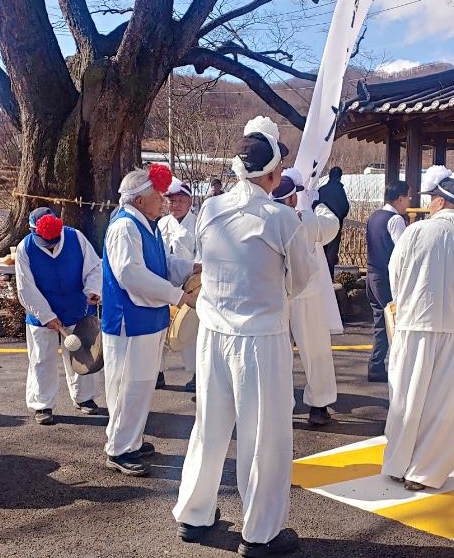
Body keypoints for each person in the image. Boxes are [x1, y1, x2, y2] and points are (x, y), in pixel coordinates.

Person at [173, 116, 312, 556]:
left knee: (209, 427)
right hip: (260, 338)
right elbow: (300, 281)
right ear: (272, 174)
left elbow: (204, 261)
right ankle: (261, 532)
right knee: (264, 436)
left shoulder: (210, 210)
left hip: (214, 333)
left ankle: (194, 514)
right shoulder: (281, 219)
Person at [382, 166, 454, 491]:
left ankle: (398, 462)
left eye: (432, 198)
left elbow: (395, 274)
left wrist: (404, 307)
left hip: (414, 323)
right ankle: (425, 471)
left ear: (441, 201)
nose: (429, 203)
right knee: (445, 403)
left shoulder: (415, 231)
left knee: (406, 396)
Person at [102, 164, 196, 476]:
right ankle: (119, 449)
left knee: (140, 385)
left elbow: (162, 263)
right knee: (128, 386)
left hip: (148, 318)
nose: (164, 201)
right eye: (159, 196)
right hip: (130, 321)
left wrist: (190, 268)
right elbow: (131, 275)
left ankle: (131, 439)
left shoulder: (147, 224)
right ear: (140, 200)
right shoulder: (125, 227)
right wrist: (177, 295)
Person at [15, 207, 104, 425]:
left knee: (83, 354)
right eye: (47, 243)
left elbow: (94, 268)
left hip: (77, 307)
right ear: (33, 232)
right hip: (40, 314)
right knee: (41, 358)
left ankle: (84, 398)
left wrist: (93, 290)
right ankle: (42, 404)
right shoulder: (24, 248)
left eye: (55, 241)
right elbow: (26, 288)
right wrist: (46, 315)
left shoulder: (76, 238)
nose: (52, 246)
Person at [272, 168, 342, 427]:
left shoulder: (265, 219)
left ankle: (280, 405)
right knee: (316, 351)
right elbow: (331, 226)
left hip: (276, 294)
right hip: (306, 293)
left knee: (277, 352)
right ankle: (318, 404)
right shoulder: (305, 219)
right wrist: (318, 205)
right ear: (293, 198)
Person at [364, 180, 410, 382]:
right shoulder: (395, 219)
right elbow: (402, 251)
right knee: (394, 322)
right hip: (386, 278)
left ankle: (376, 366)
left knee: (381, 322)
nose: (409, 201)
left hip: (371, 276)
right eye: (408, 197)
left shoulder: (375, 216)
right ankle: (395, 366)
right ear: (400, 198)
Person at [160, 178, 200, 392]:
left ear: (189, 201)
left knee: (191, 332)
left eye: (180, 200)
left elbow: (202, 257)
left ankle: (196, 374)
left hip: (189, 286)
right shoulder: (160, 224)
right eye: (171, 201)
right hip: (163, 286)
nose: (175, 205)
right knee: (160, 331)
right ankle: (157, 371)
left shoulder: (198, 224)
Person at [316, 166, 350, 277]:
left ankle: (319, 276)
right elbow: (345, 207)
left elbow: (315, 205)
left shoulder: (321, 190)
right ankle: (328, 278)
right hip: (335, 225)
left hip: (320, 224)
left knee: (320, 249)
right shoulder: (340, 190)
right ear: (340, 177)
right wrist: (339, 217)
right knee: (332, 252)